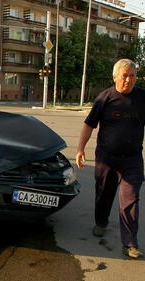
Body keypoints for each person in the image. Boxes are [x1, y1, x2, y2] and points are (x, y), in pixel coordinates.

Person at [76, 58, 145, 259]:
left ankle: (130, 243)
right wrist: (80, 149)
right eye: (125, 76)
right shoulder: (104, 98)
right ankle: (101, 222)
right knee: (104, 194)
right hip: (107, 158)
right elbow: (89, 125)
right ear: (115, 76)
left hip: (132, 159)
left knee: (130, 200)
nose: (129, 80)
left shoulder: (142, 98)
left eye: (133, 76)